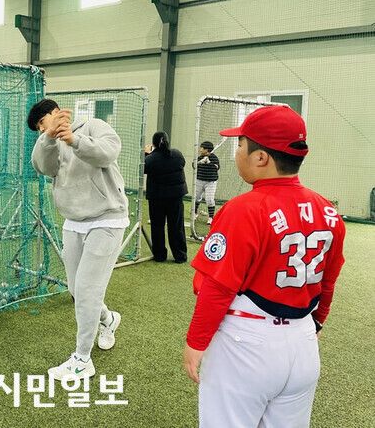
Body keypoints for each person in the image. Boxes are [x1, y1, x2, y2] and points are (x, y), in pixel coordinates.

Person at [183, 105, 346, 428]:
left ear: (261, 157)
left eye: (240, 145)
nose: (236, 152)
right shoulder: (327, 210)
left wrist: (196, 342)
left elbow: (217, 286)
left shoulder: (243, 209)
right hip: (303, 342)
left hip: (246, 343)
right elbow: (328, 282)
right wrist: (317, 324)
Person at [28, 98, 128, 381]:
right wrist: (49, 139)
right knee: (75, 289)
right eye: (37, 128)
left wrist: (74, 140)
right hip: (73, 222)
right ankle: (108, 319)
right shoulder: (48, 142)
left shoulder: (94, 126)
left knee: (86, 290)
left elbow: (109, 152)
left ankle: (83, 359)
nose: (40, 129)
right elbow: (43, 167)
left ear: (55, 113)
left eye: (41, 123)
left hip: (107, 219)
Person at [144, 131, 188, 263]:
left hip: (157, 197)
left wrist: (147, 153)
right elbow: (182, 163)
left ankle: (159, 255)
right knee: (176, 226)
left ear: (154, 143)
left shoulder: (151, 158)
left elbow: (144, 168)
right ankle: (180, 256)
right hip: (175, 197)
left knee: (157, 226)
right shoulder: (177, 154)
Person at [193, 140, 220, 224]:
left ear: (206, 150)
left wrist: (209, 163)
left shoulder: (214, 158)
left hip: (210, 182)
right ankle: (194, 213)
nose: (200, 149)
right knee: (197, 197)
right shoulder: (200, 157)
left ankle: (211, 217)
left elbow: (216, 168)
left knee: (209, 199)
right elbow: (193, 165)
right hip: (199, 180)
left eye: (202, 148)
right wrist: (199, 162)